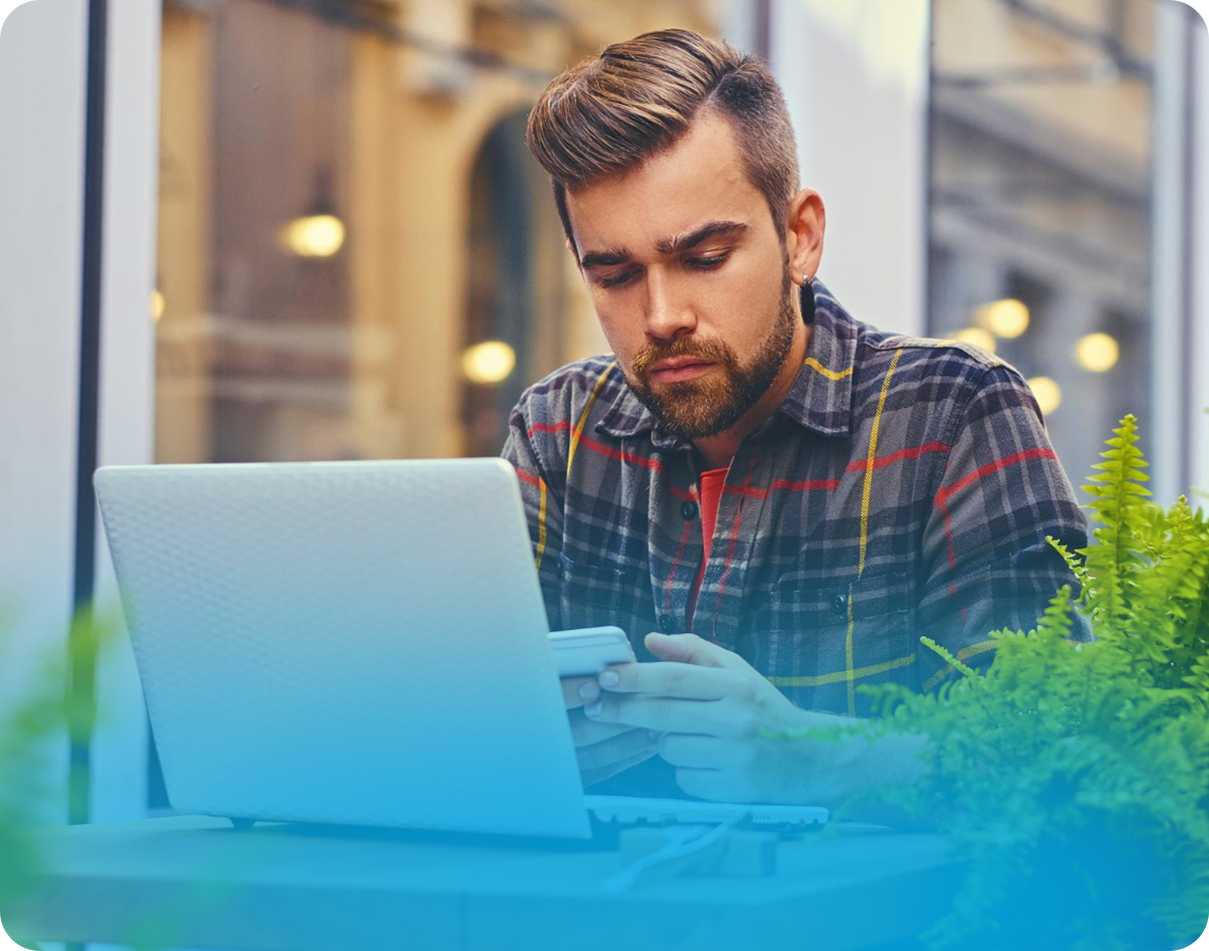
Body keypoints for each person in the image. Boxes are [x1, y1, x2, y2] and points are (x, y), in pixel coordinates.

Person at [502, 29, 1087, 807]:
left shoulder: (953, 412)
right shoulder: (556, 430)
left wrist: (812, 757)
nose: (662, 315)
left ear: (799, 236)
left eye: (705, 258)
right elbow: (468, 722)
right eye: (613, 274)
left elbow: (1053, 756)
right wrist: (527, 748)